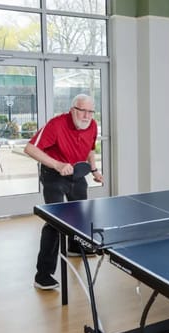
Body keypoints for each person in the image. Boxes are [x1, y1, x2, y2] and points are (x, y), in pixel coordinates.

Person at [25, 93, 104, 290]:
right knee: (55, 222)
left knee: (80, 214)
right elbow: (30, 149)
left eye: (90, 111)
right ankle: (42, 275)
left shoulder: (92, 125)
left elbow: (90, 149)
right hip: (54, 174)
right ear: (72, 110)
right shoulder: (56, 124)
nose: (86, 116)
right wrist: (58, 165)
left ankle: (75, 247)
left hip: (76, 173)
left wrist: (94, 169)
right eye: (82, 110)